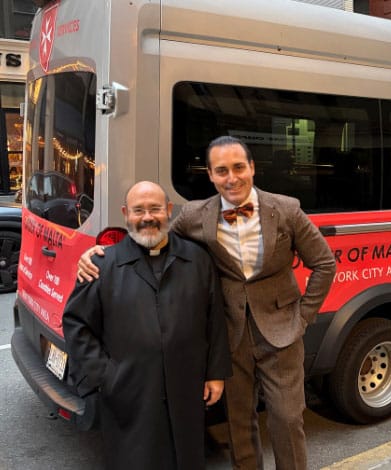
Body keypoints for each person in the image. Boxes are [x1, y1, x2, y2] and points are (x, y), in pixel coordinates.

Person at [78, 137, 337, 470]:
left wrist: (302, 317)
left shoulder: (286, 209)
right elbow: (154, 237)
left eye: (239, 167)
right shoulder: (195, 215)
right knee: (239, 424)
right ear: (211, 175)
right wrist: (97, 255)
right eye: (222, 170)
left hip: (282, 330)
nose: (232, 178)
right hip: (229, 334)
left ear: (252, 168)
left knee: (287, 419)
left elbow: (324, 263)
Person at [65, 181, 232, 470]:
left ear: (168, 210)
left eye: (155, 209)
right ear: (125, 214)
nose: (147, 217)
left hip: (186, 387)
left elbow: (214, 318)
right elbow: (76, 324)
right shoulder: (103, 265)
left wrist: (215, 374)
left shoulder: (197, 259)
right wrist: (106, 376)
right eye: (138, 210)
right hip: (129, 392)